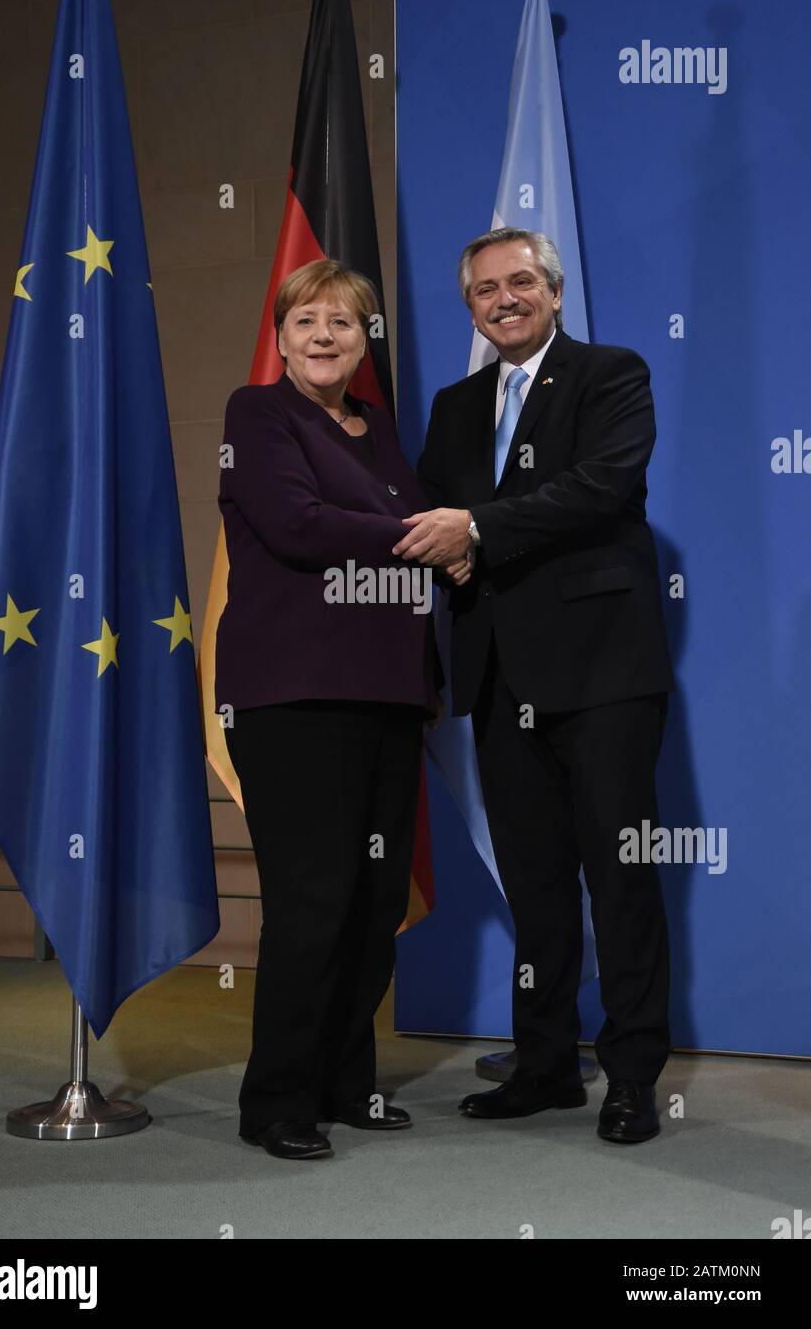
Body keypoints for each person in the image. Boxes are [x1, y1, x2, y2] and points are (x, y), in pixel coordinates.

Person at [396, 227, 675, 1143]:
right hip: (497, 675)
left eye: (520, 282)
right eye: (484, 289)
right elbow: (427, 524)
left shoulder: (609, 374)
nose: (503, 299)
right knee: (536, 887)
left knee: (620, 880)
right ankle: (546, 1064)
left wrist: (473, 530)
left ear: (553, 293)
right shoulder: (453, 404)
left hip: (601, 675)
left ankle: (631, 1075)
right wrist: (452, 551)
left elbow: (600, 487)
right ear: (469, 306)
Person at [215, 259, 451, 1160]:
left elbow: (409, 532)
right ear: (281, 337)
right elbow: (296, 524)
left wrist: (440, 546)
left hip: (389, 694)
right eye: (307, 320)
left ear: (364, 341)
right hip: (293, 695)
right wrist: (432, 538)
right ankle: (276, 1101)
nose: (325, 336)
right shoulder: (257, 413)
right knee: (311, 901)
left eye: (343, 323)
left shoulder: (381, 429)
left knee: (372, 899)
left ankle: (347, 1084)